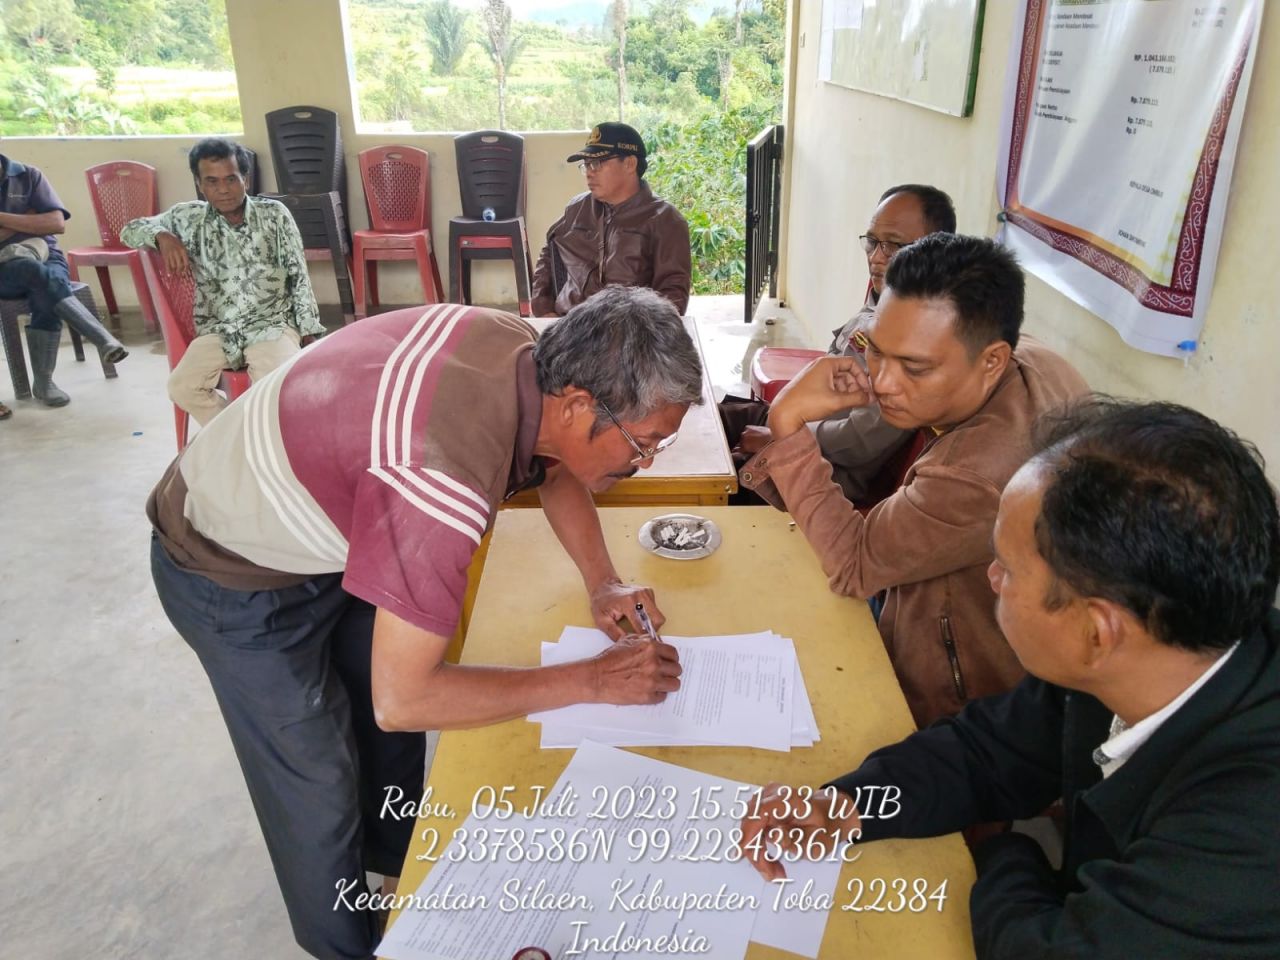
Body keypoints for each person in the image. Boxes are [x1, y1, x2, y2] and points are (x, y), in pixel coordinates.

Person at [148, 285, 700, 960]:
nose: (643, 466)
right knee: (317, 780)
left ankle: (399, 877)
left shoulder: (530, 355)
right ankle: (347, 945)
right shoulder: (440, 482)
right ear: (580, 405)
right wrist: (591, 680)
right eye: (644, 445)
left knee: (390, 754)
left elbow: (552, 467)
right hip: (224, 559)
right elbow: (405, 698)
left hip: (331, 520)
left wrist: (602, 580)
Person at [739, 399, 1280, 960]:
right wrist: (845, 805)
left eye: (1008, 568)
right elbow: (984, 753)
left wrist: (1012, 853)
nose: (992, 580)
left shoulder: (1246, 833)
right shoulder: (1148, 652)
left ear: (1098, 631)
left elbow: (1041, 948)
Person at [741, 233, 1088, 726]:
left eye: (915, 367)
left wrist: (788, 421)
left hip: (956, 702)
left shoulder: (974, 475)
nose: (881, 381)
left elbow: (853, 564)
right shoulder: (1036, 360)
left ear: (992, 359)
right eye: (875, 351)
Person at [720, 184, 956, 503]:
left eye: (893, 245)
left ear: (933, 250)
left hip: (830, 467)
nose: (875, 257)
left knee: (714, 476)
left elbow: (861, 440)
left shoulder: (919, 340)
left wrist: (782, 436)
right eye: (872, 242)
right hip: (805, 425)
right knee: (708, 420)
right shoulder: (885, 297)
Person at [121, 137, 323, 426]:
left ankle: (258, 447)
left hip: (271, 325)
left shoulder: (274, 215)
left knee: (278, 390)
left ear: (246, 179)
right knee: (182, 387)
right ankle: (235, 436)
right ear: (200, 185)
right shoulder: (188, 217)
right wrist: (161, 236)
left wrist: (308, 333)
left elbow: (298, 275)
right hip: (218, 329)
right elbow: (131, 228)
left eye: (231, 179)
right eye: (212, 181)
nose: (223, 189)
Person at [0, 149, 128, 409]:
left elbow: (56, 223)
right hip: (4, 270)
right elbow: (44, 222)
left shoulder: (29, 175)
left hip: (47, 256)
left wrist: (5, 222)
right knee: (35, 273)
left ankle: (44, 382)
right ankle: (100, 339)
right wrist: (30, 219)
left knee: (44, 283)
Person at [531, 122, 691, 317]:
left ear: (630, 164)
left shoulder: (664, 220)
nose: (590, 172)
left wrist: (643, 336)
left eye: (597, 164)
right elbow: (549, 253)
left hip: (626, 334)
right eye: (587, 165)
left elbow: (673, 293)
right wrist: (544, 309)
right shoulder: (577, 208)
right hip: (568, 327)